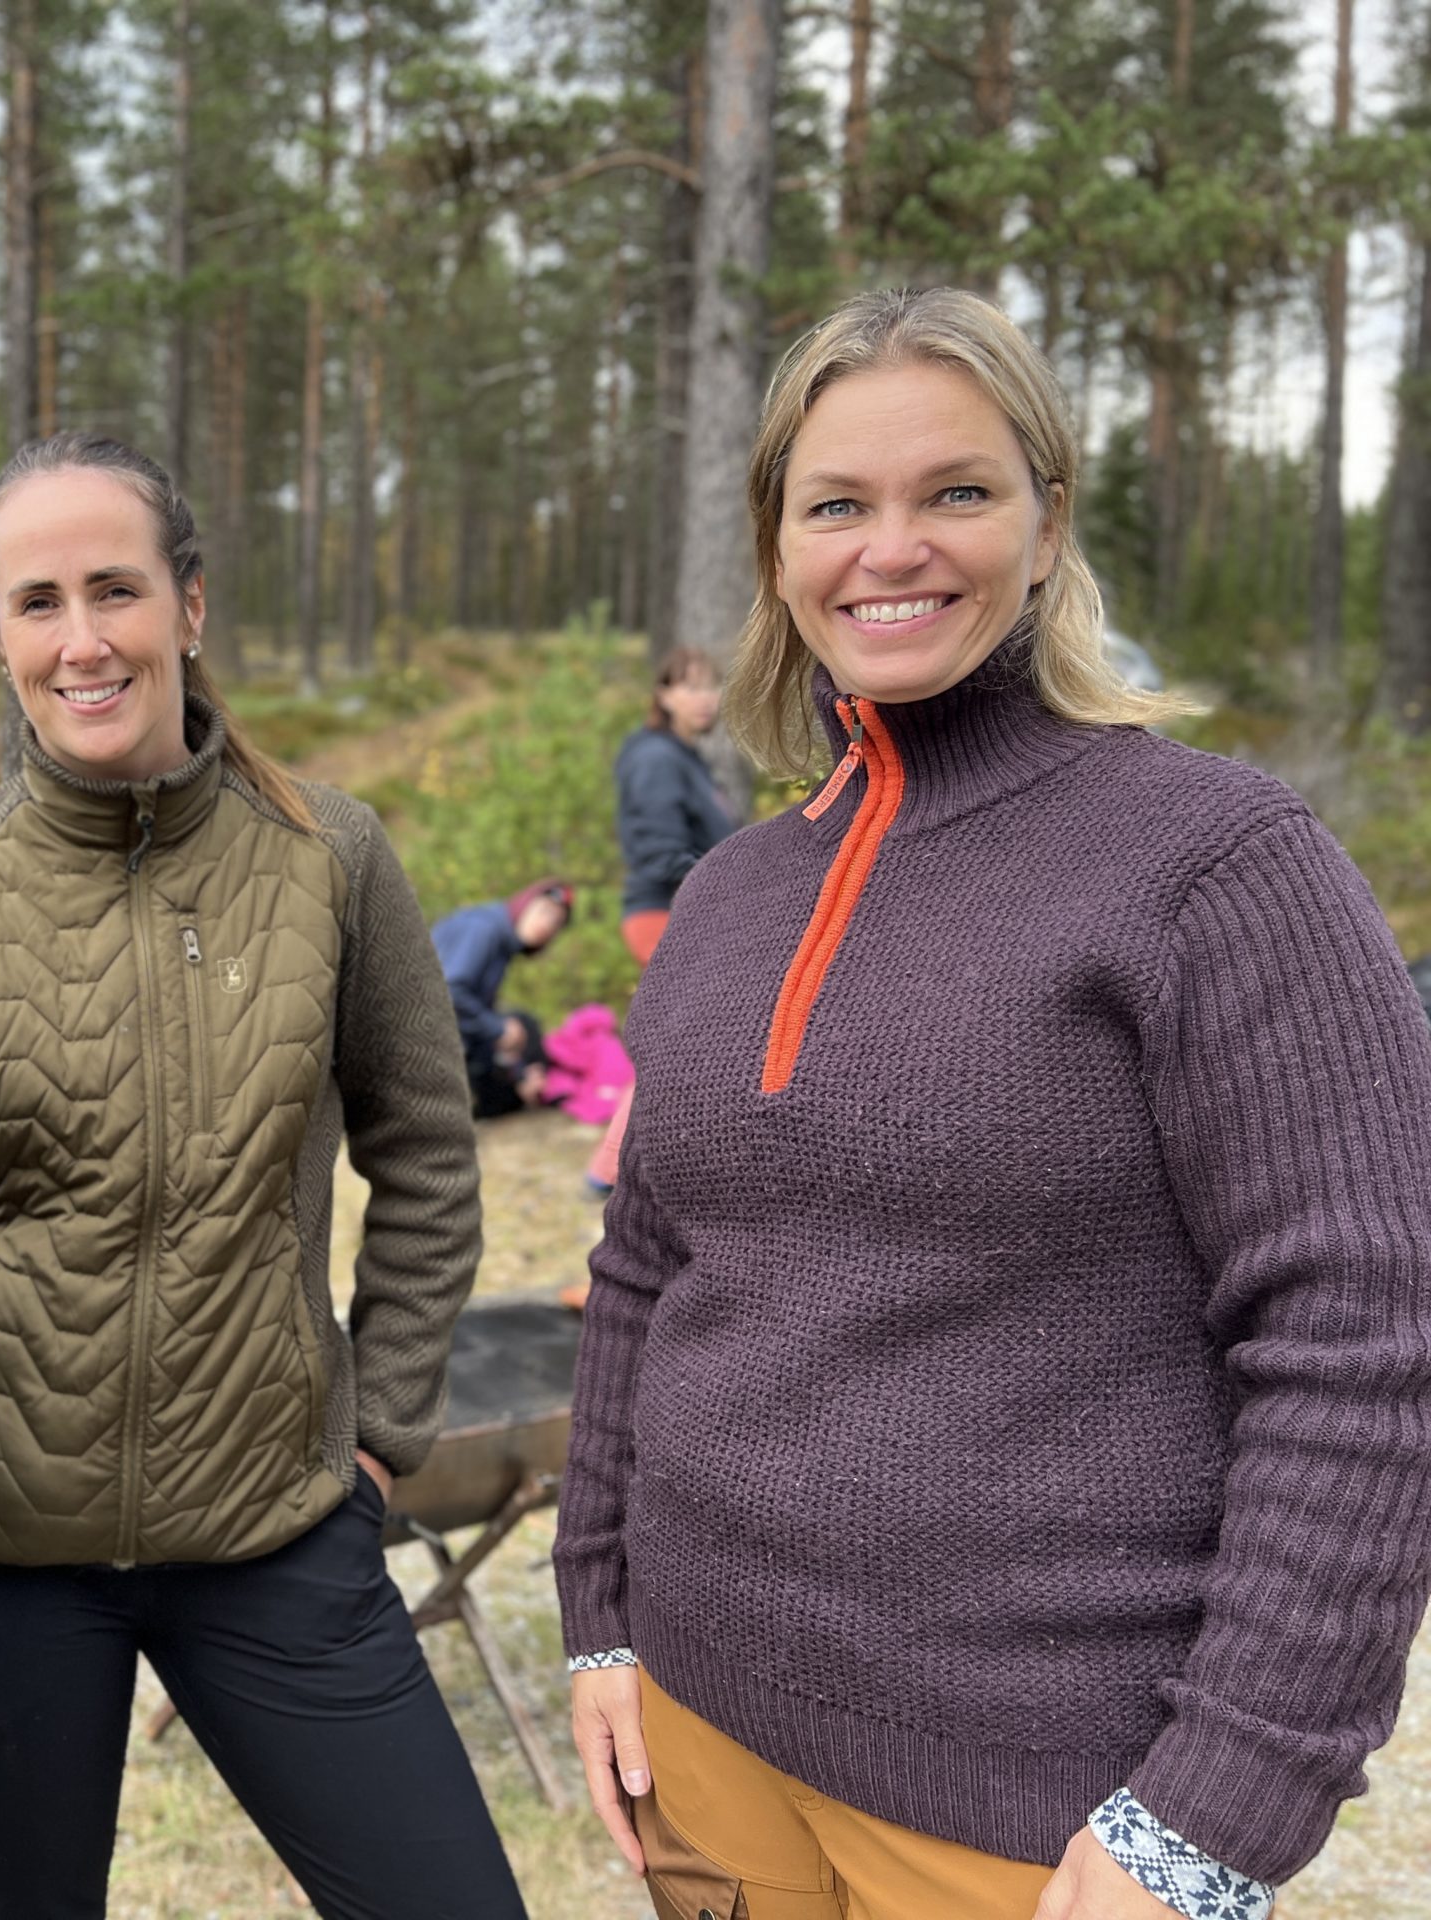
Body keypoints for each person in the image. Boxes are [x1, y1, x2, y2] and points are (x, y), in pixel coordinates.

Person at [556, 287, 1431, 1920]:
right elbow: (643, 1271)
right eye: (838, 504)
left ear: (1046, 521)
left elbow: (1366, 1345)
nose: (892, 548)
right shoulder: (738, 892)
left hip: (1023, 1812)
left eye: (955, 491)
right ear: (777, 549)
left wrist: (1216, 1812)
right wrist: (600, 1611)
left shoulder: (1214, 866)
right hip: (700, 1735)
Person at [0, 431, 526, 1920]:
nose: (83, 640)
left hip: (275, 1532)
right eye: (37, 601)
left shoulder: (330, 857)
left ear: (189, 607)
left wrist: (380, 1430)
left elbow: (427, 1158)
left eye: (116, 589)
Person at [581, 647, 735, 1198]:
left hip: (690, 911)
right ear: (664, 695)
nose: (703, 698)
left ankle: (623, 1169)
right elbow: (657, 850)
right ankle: (611, 1170)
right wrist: (736, 887)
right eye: (689, 686)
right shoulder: (654, 758)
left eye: (710, 686)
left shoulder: (689, 760)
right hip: (663, 912)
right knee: (684, 1042)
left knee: (684, 1040)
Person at [432, 880, 574, 1117]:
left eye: (556, 923)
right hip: (420, 1041)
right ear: (524, 904)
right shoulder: (483, 928)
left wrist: (517, 1069)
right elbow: (448, 992)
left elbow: (472, 1008)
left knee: (522, 1027)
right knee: (517, 1028)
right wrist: (497, 1029)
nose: (547, 925)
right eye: (544, 912)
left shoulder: (499, 940)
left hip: (447, 1033)